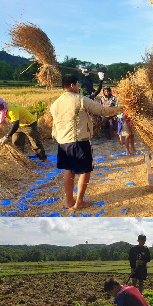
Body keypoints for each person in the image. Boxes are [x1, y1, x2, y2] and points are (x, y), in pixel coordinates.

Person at [50, 74, 121, 211]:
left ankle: (69, 202)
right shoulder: (80, 100)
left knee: (69, 171)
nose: (78, 87)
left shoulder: (55, 104)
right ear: (72, 85)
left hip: (63, 143)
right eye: (77, 84)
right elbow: (101, 110)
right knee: (85, 171)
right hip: (79, 142)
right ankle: (79, 202)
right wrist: (119, 109)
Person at [0, 96, 48, 161]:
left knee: (35, 143)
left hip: (29, 124)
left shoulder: (11, 110)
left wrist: (6, 136)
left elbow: (15, 125)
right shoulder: (2, 109)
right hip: (19, 124)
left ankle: (44, 159)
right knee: (16, 144)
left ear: (3, 105)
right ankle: (21, 161)